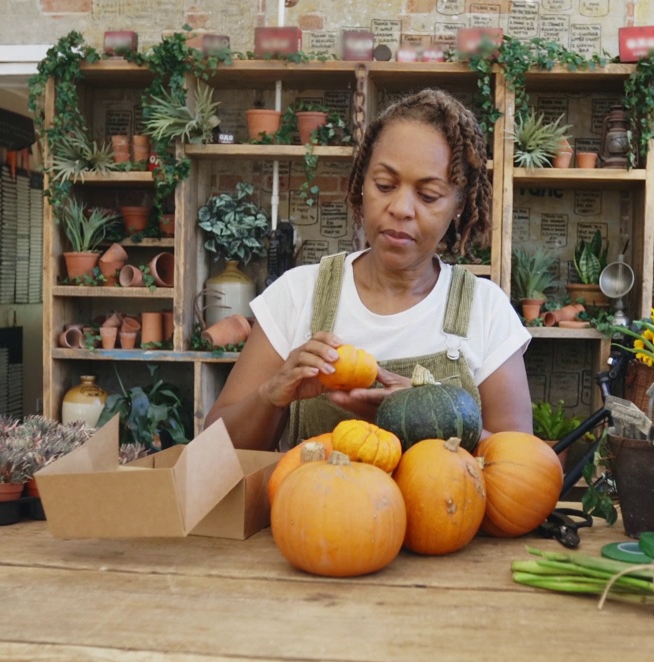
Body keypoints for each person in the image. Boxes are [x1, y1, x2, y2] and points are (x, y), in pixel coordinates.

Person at [205, 88, 533, 451]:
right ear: (361, 184)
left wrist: (430, 415)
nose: (401, 208)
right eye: (384, 185)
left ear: (459, 204)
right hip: (313, 508)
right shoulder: (298, 295)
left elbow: (520, 467)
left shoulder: (484, 310)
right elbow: (215, 448)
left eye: (428, 196)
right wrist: (271, 395)